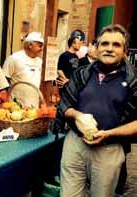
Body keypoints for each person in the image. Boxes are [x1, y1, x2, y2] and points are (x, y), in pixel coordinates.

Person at [53, 24, 137, 196]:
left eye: (116, 45)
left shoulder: (133, 81)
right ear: (97, 48)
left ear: (125, 51)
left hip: (109, 148)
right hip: (75, 143)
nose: (109, 49)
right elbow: (65, 105)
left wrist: (109, 134)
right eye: (104, 44)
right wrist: (77, 115)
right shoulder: (81, 74)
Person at [2, 32, 44, 108]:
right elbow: (4, 81)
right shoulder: (14, 58)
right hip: (15, 107)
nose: (41, 49)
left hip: (34, 107)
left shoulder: (40, 61)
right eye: (40, 46)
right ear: (30, 45)